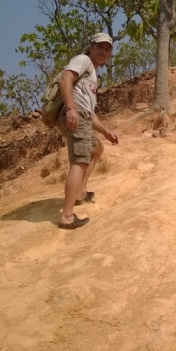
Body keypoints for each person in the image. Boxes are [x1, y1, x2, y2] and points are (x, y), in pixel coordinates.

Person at [56, 32, 119, 229]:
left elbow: (90, 113)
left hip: (83, 116)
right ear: (90, 47)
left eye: (108, 49)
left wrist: (106, 132)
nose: (104, 51)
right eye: (100, 46)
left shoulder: (92, 74)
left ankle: (81, 192)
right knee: (80, 161)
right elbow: (64, 80)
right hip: (76, 114)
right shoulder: (82, 60)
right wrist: (71, 109)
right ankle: (67, 216)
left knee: (97, 148)